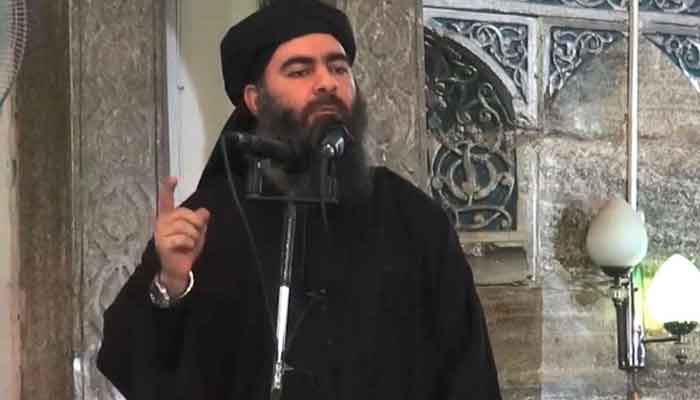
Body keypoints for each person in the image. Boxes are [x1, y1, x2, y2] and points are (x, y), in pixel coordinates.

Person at [97, 1, 501, 399]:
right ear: (255, 99)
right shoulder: (210, 220)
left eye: (338, 68)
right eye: (300, 70)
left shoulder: (411, 218)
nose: (326, 82)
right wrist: (171, 283)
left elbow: (468, 372)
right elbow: (128, 362)